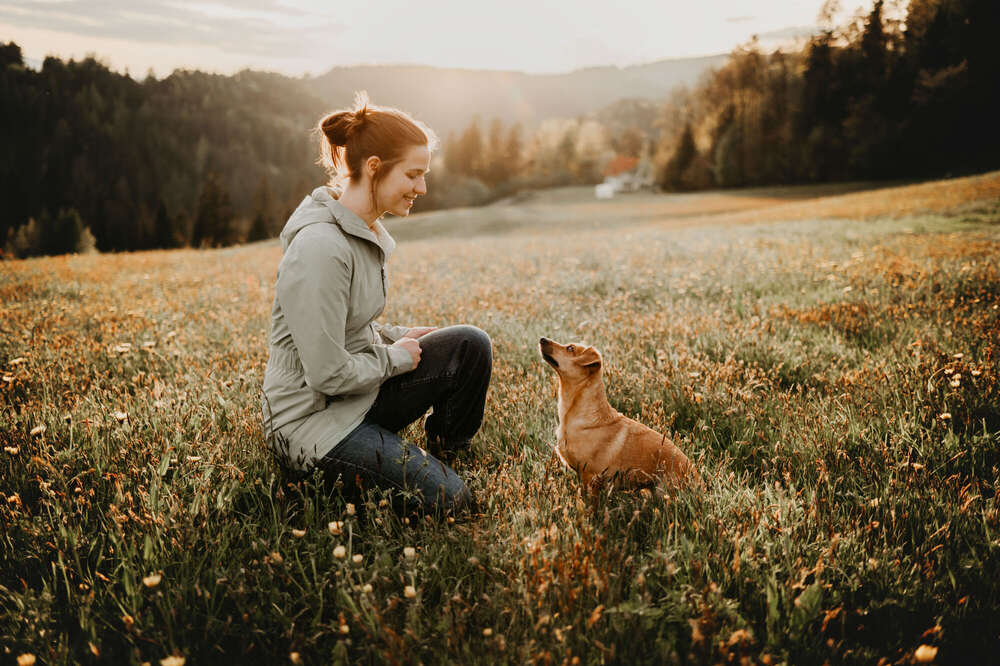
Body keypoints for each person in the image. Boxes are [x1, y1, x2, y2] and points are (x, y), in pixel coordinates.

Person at [261, 91, 492, 514]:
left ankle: (446, 454)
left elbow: (351, 326)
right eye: (413, 175)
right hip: (313, 423)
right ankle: (430, 475)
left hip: (358, 396)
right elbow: (328, 374)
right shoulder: (320, 248)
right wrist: (396, 359)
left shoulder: (362, 232)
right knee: (452, 501)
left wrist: (401, 336)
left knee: (468, 344)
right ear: (373, 168)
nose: (421, 187)